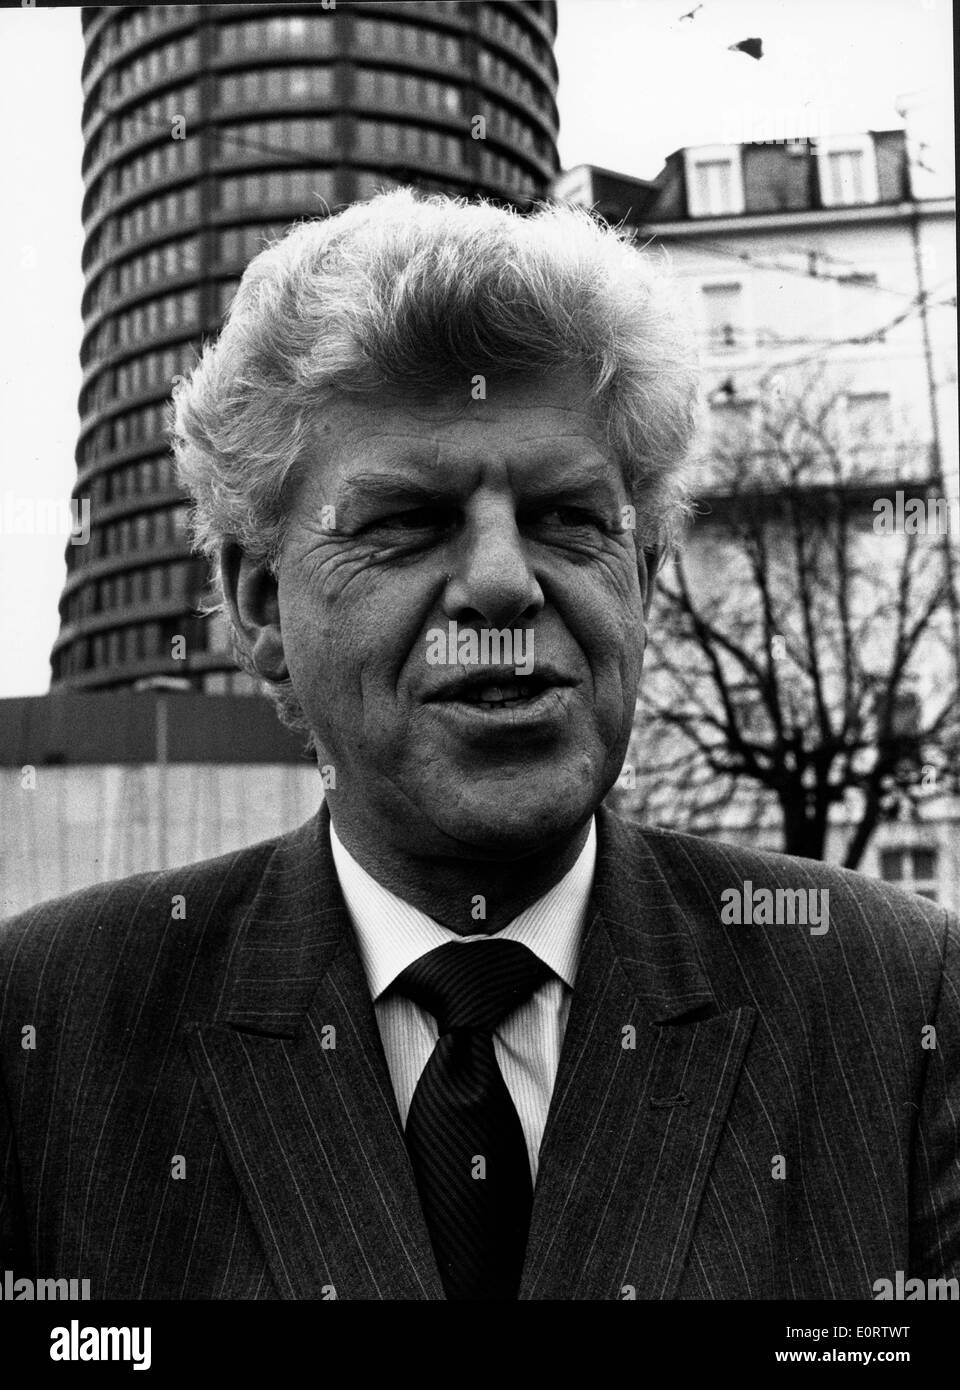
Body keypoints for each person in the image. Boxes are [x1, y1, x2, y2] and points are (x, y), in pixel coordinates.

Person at [1, 190, 957, 1301]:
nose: (504, 581)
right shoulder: (49, 1028)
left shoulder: (895, 1010)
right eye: (408, 521)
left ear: (643, 579)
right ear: (260, 605)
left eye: (567, 517)